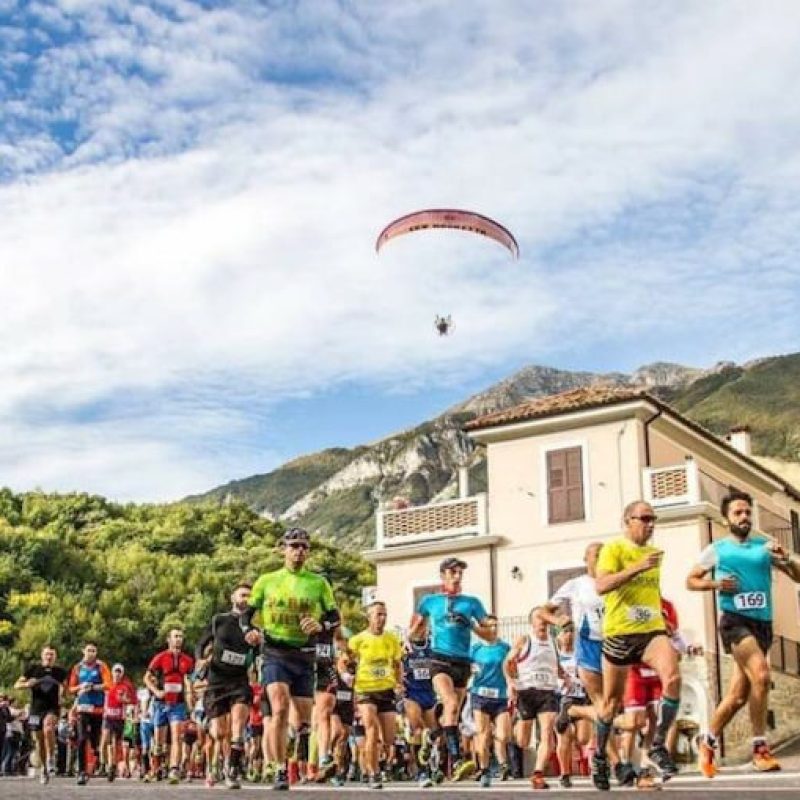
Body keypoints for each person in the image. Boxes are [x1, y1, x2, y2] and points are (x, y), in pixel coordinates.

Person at [687, 489, 800, 777]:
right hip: (735, 621)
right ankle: (760, 749)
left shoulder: (764, 548)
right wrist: (716, 585)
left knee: (738, 696)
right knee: (762, 675)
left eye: (748, 512)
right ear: (726, 518)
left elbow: (798, 577)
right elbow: (691, 580)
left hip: (762, 624)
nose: (744, 517)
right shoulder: (717, 549)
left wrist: (787, 559)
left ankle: (707, 741)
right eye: (738, 512)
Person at [240, 526, 340, 791]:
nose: (298, 551)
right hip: (275, 652)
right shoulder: (267, 580)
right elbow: (245, 615)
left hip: (305, 654)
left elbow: (334, 618)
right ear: (283, 549)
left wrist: (321, 626)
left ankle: (300, 746)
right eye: (293, 546)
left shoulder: (319, 583)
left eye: (303, 547)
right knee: (280, 707)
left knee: (302, 720)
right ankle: (280, 769)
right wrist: (248, 631)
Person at [591, 501, 680, 790]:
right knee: (610, 706)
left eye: (653, 519)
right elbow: (602, 586)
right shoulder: (614, 549)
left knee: (674, 678)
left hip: (651, 631)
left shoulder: (656, 554)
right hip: (619, 634)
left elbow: (649, 590)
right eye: (644, 518)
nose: (650, 524)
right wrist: (636, 567)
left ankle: (657, 745)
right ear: (627, 520)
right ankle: (601, 759)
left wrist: (660, 617)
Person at [409, 556, 493, 781]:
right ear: (443, 575)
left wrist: (473, 626)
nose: (457, 577)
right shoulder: (429, 601)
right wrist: (418, 627)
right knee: (452, 703)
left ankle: (434, 739)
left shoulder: (472, 602)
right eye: (453, 572)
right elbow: (412, 634)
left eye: (460, 573)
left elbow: (491, 634)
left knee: (452, 714)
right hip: (439, 659)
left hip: (462, 662)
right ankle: (456, 760)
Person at [195, 582, 261, 789]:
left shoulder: (254, 630)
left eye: (250, 596)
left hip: (239, 681)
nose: (246, 599)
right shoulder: (219, 620)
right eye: (242, 595)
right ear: (233, 597)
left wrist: (258, 645)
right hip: (216, 681)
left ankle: (232, 769)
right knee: (218, 732)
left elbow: (259, 657)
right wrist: (200, 662)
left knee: (238, 727)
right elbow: (201, 644)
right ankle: (213, 766)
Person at [348, 601, 403, 790]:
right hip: (365, 690)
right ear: (369, 617)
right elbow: (344, 660)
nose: (382, 618)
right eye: (378, 614)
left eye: (384, 614)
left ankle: (378, 762)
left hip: (386, 690)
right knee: (371, 730)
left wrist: (399, 683)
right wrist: (347, 676)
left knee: (388, 739)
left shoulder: (392, 639)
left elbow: (397, 664)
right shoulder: (358, 640)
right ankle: (373, 772)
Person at [505, 607, 561, 790]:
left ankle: (538, 774)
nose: (543, 622)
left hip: (548, 692)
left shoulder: (554, 642)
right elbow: (507, 663)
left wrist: (566, 677)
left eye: (546, 619)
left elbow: (556, 666)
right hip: (527, 692)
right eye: (539, 618)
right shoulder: (524, 640)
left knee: (547, 733)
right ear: (532, 622)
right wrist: (510, 682)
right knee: (522, 740)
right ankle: (514, 728)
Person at [144, 628, 194, 784]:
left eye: (180, 636)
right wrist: (156, 691)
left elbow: (190, 681)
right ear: (169, 639)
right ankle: (156, 768)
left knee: (177, 737)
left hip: (177, 704)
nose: (178, 639)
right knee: (159, 742)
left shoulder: (188, 660)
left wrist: (191, 698)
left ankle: (174, 769)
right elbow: (146, 678)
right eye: (175, 636)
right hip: (161, 704)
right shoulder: (160, 658)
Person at [14, 644, 68, 784]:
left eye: (52, 654)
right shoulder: (33, 669)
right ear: (42, 655)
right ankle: (44, 768)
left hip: (52, 708)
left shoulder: (60, 672)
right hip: (36, 709)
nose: (49, 657)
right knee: (39, 740)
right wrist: (27, 684)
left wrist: (63, 694)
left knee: (48, 728)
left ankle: (51, 759)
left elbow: (66, 688)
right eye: (47, 654)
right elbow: (17, 685)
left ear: (55, 657)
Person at [469, 614, 512, 788]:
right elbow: (466, 668)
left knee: (503, 735)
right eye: (489, 626)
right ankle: (485, 769)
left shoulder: (505, 647)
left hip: (500, 696)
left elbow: (512, 668)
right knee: (482, 733)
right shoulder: (475, 649)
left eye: (496, 625)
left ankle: (499, 759)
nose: (493, 629)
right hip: (480, 695)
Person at [67, 641, 112, 785]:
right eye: (89, 650)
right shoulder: (78, 667)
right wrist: (81, 686)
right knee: (81, 738)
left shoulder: (101, 666)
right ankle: (81, 772)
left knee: (95, 740)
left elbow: (109, 684)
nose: (91, 653)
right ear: (83, 651)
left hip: (97, 708)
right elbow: (71, 688)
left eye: (94, 650)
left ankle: (99, 757)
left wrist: (93, 686)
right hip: (82, 708)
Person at [401, 633, 438, 787]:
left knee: (431, 735)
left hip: (429, 694)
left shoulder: (433, 647)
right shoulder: (404, 648)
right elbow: (393, 663)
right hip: (412, 693)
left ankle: (432, 768)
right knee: (417, 729)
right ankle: (421, 772)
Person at [101, 663, 135, 781]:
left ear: (122, 673)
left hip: (119, 718)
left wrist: (124, 700)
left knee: (115, 743)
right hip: (108, 717)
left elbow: (131, 700)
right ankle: (108, 764)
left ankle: (112, 765)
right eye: (115, 671)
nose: (117, 674)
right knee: (106, 740)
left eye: (119, 671)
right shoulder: (107, 685)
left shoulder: (125, 687)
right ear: (112, 672)